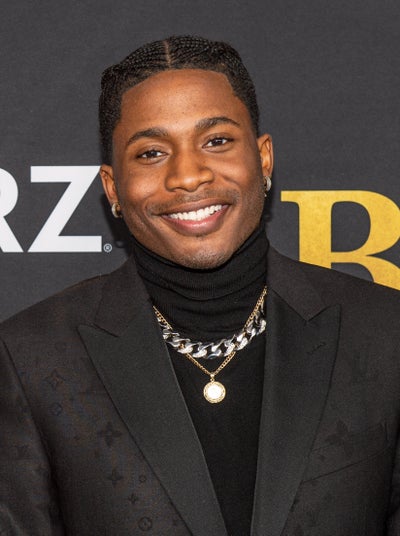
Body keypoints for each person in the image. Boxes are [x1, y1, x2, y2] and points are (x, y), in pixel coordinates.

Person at [0, 35, 399, 536]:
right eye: (151, 153)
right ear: (112, 188)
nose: (188, 176)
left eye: (216, 141)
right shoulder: (31, 358)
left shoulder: (384, 334)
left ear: (264, 158)